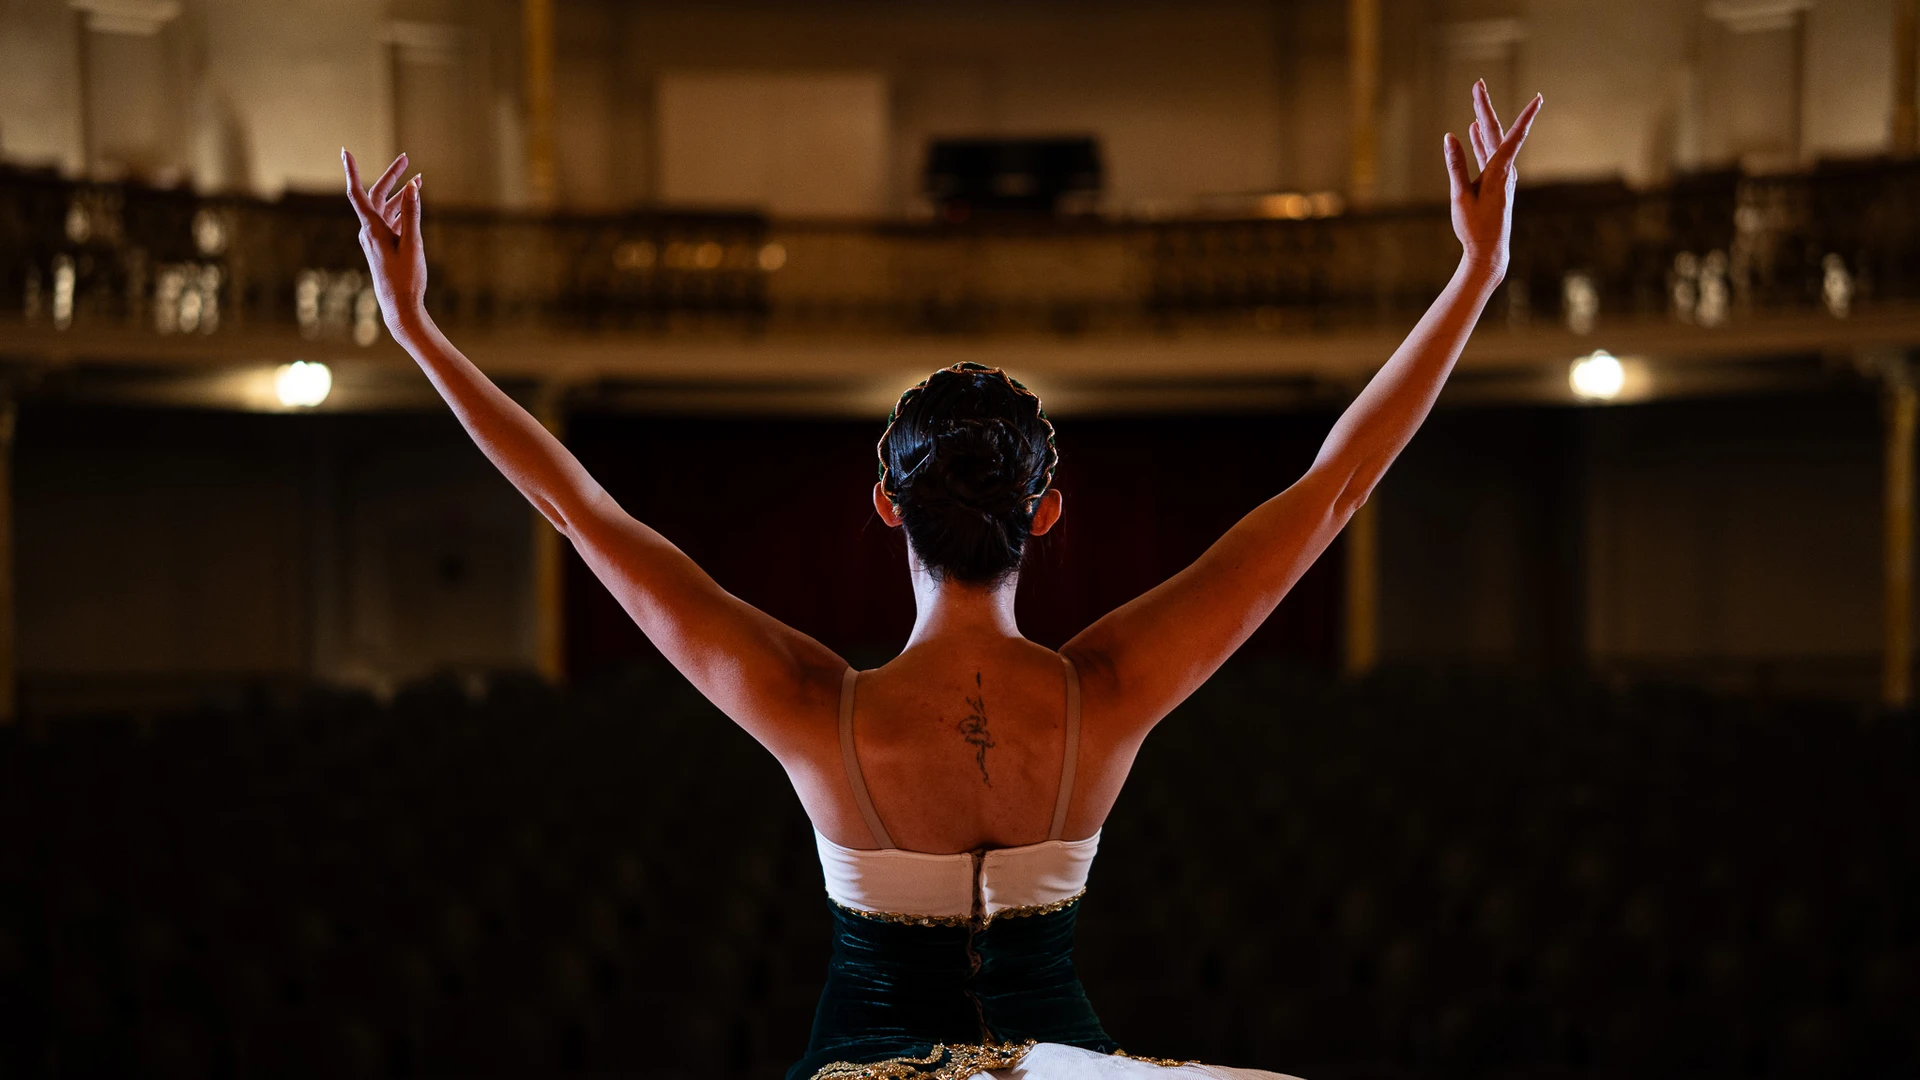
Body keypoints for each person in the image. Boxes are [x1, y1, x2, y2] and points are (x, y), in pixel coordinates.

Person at [341, 80, 1541, 1080]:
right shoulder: (1108, 691)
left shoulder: (815, 707)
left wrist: (420, 333)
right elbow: (1333, 489)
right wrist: (1473, 277)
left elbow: (579, 509)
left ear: (884, 509)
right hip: (1058, 1066)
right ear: (1050, 515)